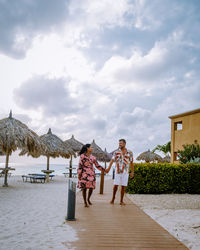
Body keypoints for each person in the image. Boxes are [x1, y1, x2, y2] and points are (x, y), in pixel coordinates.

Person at [105, 139, 134, 205]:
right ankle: (113, 198)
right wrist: (109, 168)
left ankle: (121, 201)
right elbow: (112, 160)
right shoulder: (116, 152)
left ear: (124, 144)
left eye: (121, 143)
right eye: (119, 143)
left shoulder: (130, 152)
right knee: (115, 185)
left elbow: (131, 162)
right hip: (118, 171)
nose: (119, 144)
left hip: (126, 171)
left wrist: (132, 172)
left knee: (123, 186)